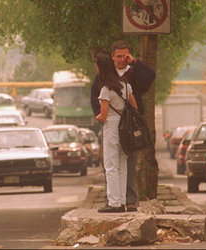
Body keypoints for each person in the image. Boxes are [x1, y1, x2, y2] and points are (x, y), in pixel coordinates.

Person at [91, 40, 156, 212]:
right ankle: (116, 199)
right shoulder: (122, 83)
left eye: (125, 56)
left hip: (118, 125)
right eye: (119, 56)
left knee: (116, 164)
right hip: (123, 123)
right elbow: (133, 105)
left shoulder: (130, 75)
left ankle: (121, 201)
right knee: (122, 163)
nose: (122, 59)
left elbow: (150, 76)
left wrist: (134, 61)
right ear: (112, 57)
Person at [95, 53, 138, 213]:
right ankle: (122, 201)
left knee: (111, 166)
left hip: (112, 128)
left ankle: (114, 203)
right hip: (125, 127)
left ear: (101, 68)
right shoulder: (125, 85)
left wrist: (97, 117)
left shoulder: (106, 89)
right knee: (122, 165)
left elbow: (103, 115)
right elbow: (135, 107)